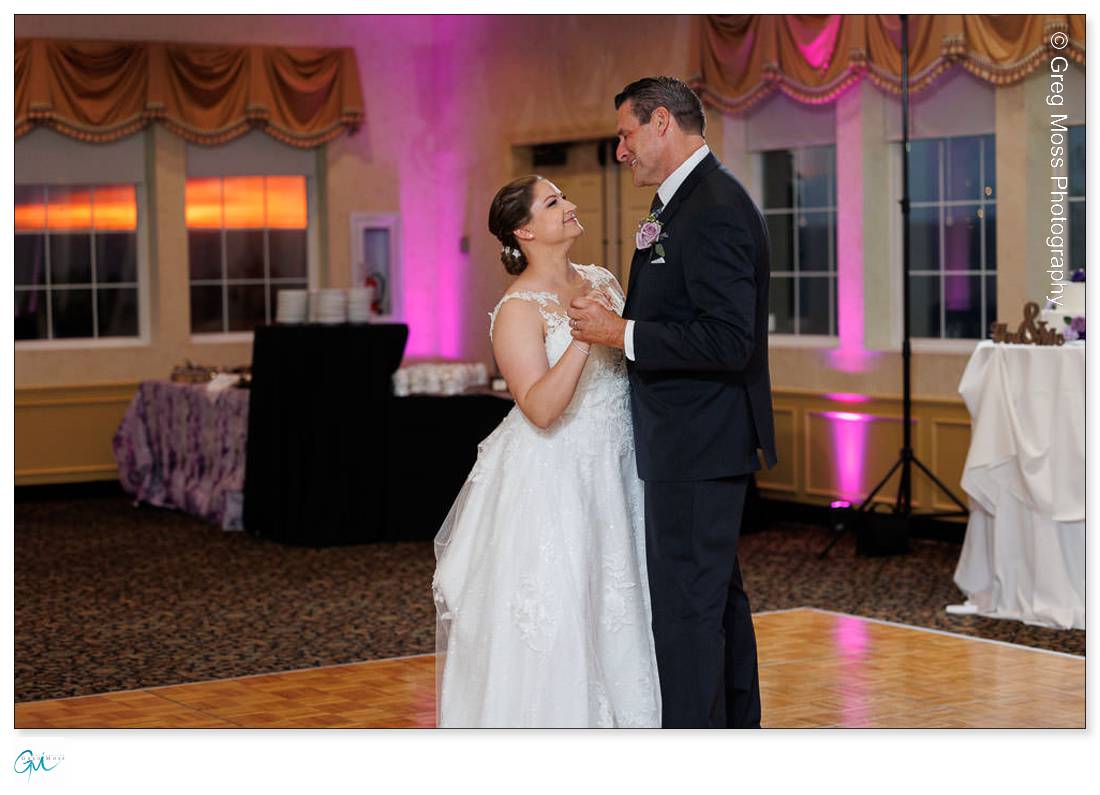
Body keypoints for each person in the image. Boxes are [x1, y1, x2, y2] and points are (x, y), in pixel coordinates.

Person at [568, 76, 777, 728]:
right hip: (689, 441)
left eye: (626, 134)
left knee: (688, 613)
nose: (620, 150)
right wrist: (626, 321)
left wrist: (620, 332)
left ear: (663, 122)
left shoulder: (712, 207)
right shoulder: (680, 203)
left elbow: (728, 338)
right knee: (715, 603)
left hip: (698, 443)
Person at [432, 175, 661, 728]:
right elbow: (538, 408)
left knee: (620, 603)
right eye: (554, 202)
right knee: (562, 615)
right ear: (524, 230)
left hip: (618, 467)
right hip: (556, 479)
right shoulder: (518, 309)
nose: (570, 205)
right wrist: (585, 337)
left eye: (565, 197)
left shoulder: (603, 279)